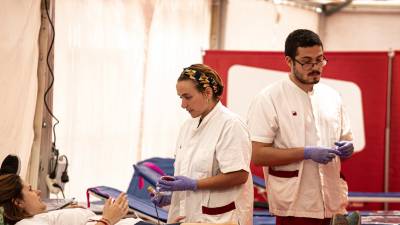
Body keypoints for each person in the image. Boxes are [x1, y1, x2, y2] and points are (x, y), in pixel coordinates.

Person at [247, 29, 359, 225]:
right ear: (289, 61)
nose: (315, 67)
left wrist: (348, 148)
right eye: (306, 61)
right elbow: (258, 155)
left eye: (320, 60)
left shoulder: (332, 97)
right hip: (294, 205)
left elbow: (347, 139)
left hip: (333, 203)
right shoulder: (269, 98)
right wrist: (305, 153)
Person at [152, 64, 253, 225]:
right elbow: (191, 173)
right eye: (181, 98)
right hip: (189, 217)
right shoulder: (187, 127)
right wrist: (172, 197)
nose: (183, 105)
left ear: (207, 93)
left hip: (221, 218)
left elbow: (239, 175)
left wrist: (194, 184)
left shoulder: (231, 125)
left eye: (188, 97)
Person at [0, 173, 136, 225]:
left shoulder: (34, 219)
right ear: (18, 202)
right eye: (30, 189)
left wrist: (67, 213)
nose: (38, 191)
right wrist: (107, 220)